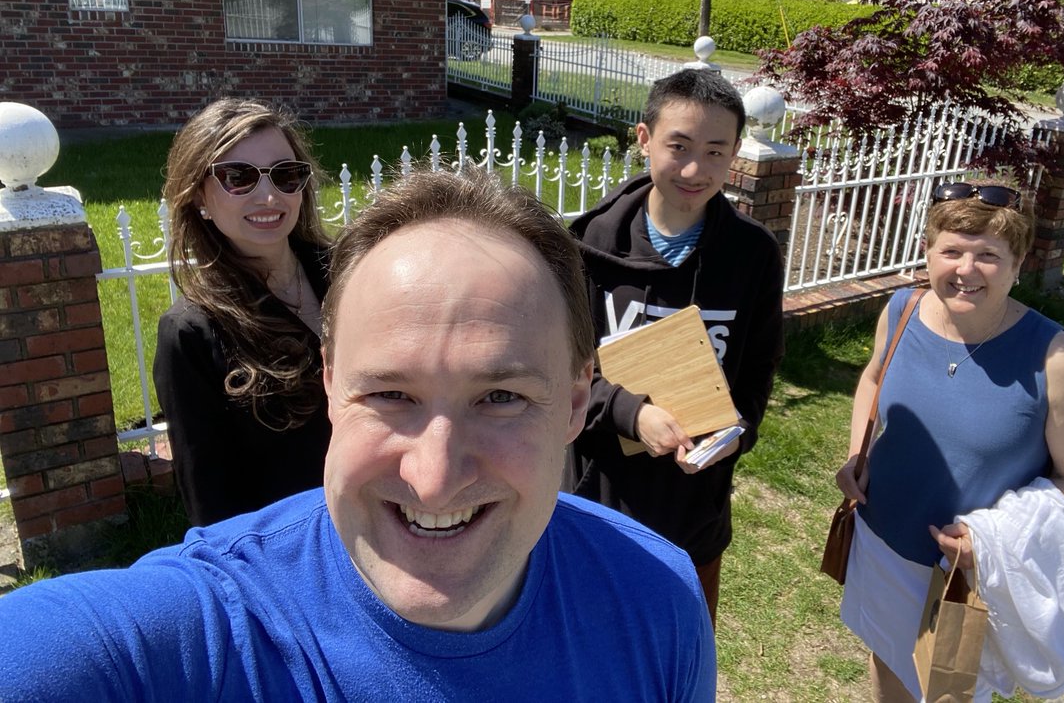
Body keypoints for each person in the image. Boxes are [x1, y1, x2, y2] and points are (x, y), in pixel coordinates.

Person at [0, 170, 717, 701]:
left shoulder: (654, 595)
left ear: (573, 404)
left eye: (500, 396)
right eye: (389, 394)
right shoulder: (207, 633)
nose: (435, 477)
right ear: (331, 389)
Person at [836, 180, 1064, 702]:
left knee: (950, 692)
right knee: (888, 658)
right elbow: (872, 379)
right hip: (880, 541)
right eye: (952, 251)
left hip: (967, 577)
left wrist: (991, 540)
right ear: (928, 252)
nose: (965, 270)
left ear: (1017, 263)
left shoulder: (1057, 358)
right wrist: (857, 453)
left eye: (987, 255)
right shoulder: (901, 311)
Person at [566, 68, 785, 624]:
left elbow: (758, 364)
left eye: (715, 151)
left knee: (677, 657)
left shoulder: (752, 255)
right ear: (643, 139)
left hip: (695, 507)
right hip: (598, 498)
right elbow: (559, 370)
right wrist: (631, 414)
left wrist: (739, 432)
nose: (695, 169)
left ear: (736, 151)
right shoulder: (587, 244)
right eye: (678, 146)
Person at [153, 98, 332, 525]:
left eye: (286, 175)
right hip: (295, 552)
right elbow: (213, 503)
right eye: (238, 178)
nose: (269, 195)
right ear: (199, 196)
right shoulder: (191, 335)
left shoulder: (352, 272)